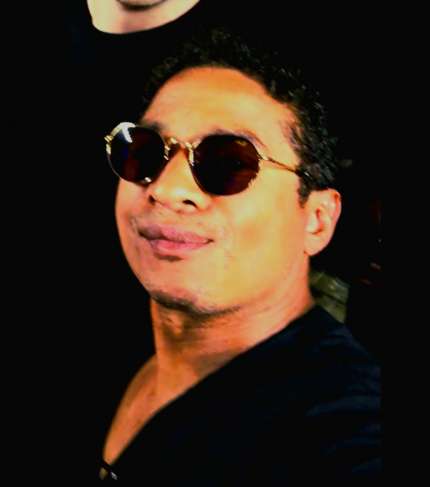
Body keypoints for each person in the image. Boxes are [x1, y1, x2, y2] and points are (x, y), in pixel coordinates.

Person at [98, 27, 381, 482]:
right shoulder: (105, 338)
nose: (168, 188)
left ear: (317, 220)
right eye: (146, 151)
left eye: (230, 162)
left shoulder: (340, 420)